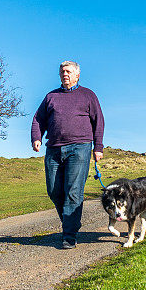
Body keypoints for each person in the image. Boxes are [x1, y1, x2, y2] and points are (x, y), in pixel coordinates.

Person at [31, 61, 104, 249]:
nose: (65, 74)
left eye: (69, 71)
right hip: (54, 148)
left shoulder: (88, 95)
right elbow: (39, 119)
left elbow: (99, 122)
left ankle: (69, 234)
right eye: (62, 71)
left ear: (77, 74)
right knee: (54, 191)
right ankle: (70, 222)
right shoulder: (51, 96)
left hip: (80, 148)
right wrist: (36, 137)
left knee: (73, 191)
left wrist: (98, 147)